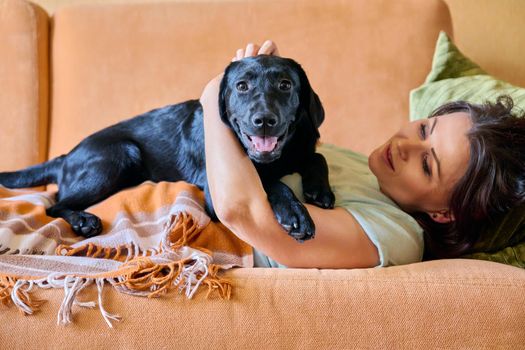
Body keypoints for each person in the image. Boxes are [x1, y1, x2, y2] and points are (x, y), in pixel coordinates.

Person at [200, 41, 525, 269]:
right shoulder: (369, 171)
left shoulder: (397, 234)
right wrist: (270, 89)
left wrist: (219, 92)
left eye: (427, 164)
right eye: (425, 130)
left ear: (444, 213)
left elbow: (240, 210)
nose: (405, 146)